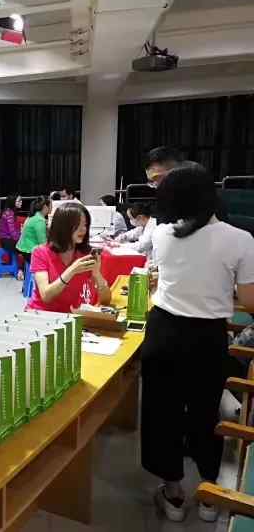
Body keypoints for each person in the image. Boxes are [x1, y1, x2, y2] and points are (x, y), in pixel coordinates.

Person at [140, 163, 254, 523]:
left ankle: (173, 494)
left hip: (163, 331)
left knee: (162, 413)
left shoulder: (162, 234)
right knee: (205, 412)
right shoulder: (240, 240)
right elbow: (249, 300)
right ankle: (209, 494)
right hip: (207, 338)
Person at [27, 203, 111, 313]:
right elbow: (46, 296)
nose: (83, 229)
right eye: (77, 225)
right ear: (63, 227)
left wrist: (97, 274)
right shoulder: (40, 253)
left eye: (85, 225)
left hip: (71, 316)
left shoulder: (87, 254)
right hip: (42, 314)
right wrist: (72, 270)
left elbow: (106, 301)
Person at [16, 196, 50, 266]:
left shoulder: (34, 215)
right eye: (51, 205)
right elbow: (43, 243)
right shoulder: (39, 220)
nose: (52, 207)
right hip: (30, 250)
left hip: (24, 248)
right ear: (45, 207)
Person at [0, 195, 23, 279]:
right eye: (19, 201)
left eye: (21, 200)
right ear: (13, 202)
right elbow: (13, 233)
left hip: (5, 239)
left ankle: (21, 269)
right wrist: (21, 236)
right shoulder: (9, 213)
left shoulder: (8, 211)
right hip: (7, 241)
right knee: (27, 248)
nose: (21, 202)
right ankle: (20, 270)